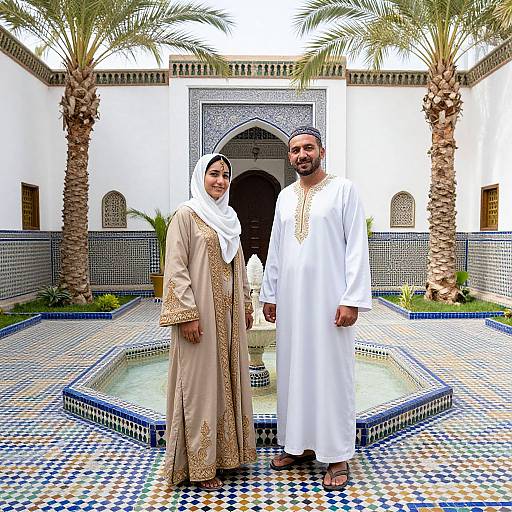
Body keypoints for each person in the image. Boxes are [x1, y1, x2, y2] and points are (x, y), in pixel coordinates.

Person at [260, 126, 372, 491]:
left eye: (308, 148)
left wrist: (351, 298)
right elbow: (275, 248)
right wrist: (270, 293)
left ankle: (337, 454)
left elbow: (356, 245)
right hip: (292, 303)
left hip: (330, 303)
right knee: (293, 370)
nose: (301, 155)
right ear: (289, 157)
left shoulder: (343, 190)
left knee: (330, 374)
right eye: (295, 150)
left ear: (322, 151)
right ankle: (299, 445)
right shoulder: (285, 197)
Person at [160, 153, 257, 490]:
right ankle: (199, 467)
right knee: (199, 388)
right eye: (213, 174)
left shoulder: (228, 218)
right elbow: (175, 268)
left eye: (225, 175)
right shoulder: (186, 216)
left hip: (228, 320)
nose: (219, 180)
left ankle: (228, 456)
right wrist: (186, 315)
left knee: (227, 382)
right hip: (199, 319)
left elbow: (239, 265)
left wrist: (246, 303)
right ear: (201, 177)